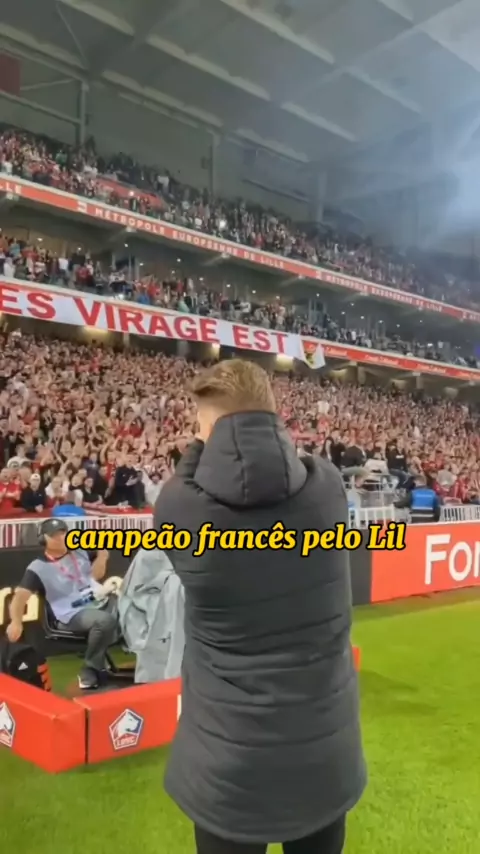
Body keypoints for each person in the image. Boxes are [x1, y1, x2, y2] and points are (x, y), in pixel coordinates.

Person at [154, 359, 366, 854]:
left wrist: (198, 448)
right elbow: (301, 465)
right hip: (323, 753)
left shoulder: (179, 509)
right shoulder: (328, 488)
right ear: (274, 420)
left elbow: (185, 484)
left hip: (229, 764)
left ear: (207, 437)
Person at [6, 518, 118, 689]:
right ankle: (90, 669)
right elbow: (20, 597)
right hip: (70, 613)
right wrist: (16, 621)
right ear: (43, 539)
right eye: (54, 535)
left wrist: (102, 556)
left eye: (63, 533)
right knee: (104, 621)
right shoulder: (37, 567)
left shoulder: (80, 551)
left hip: (97, 601)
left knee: (132, 604)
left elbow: (96, 576)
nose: (61, 538)